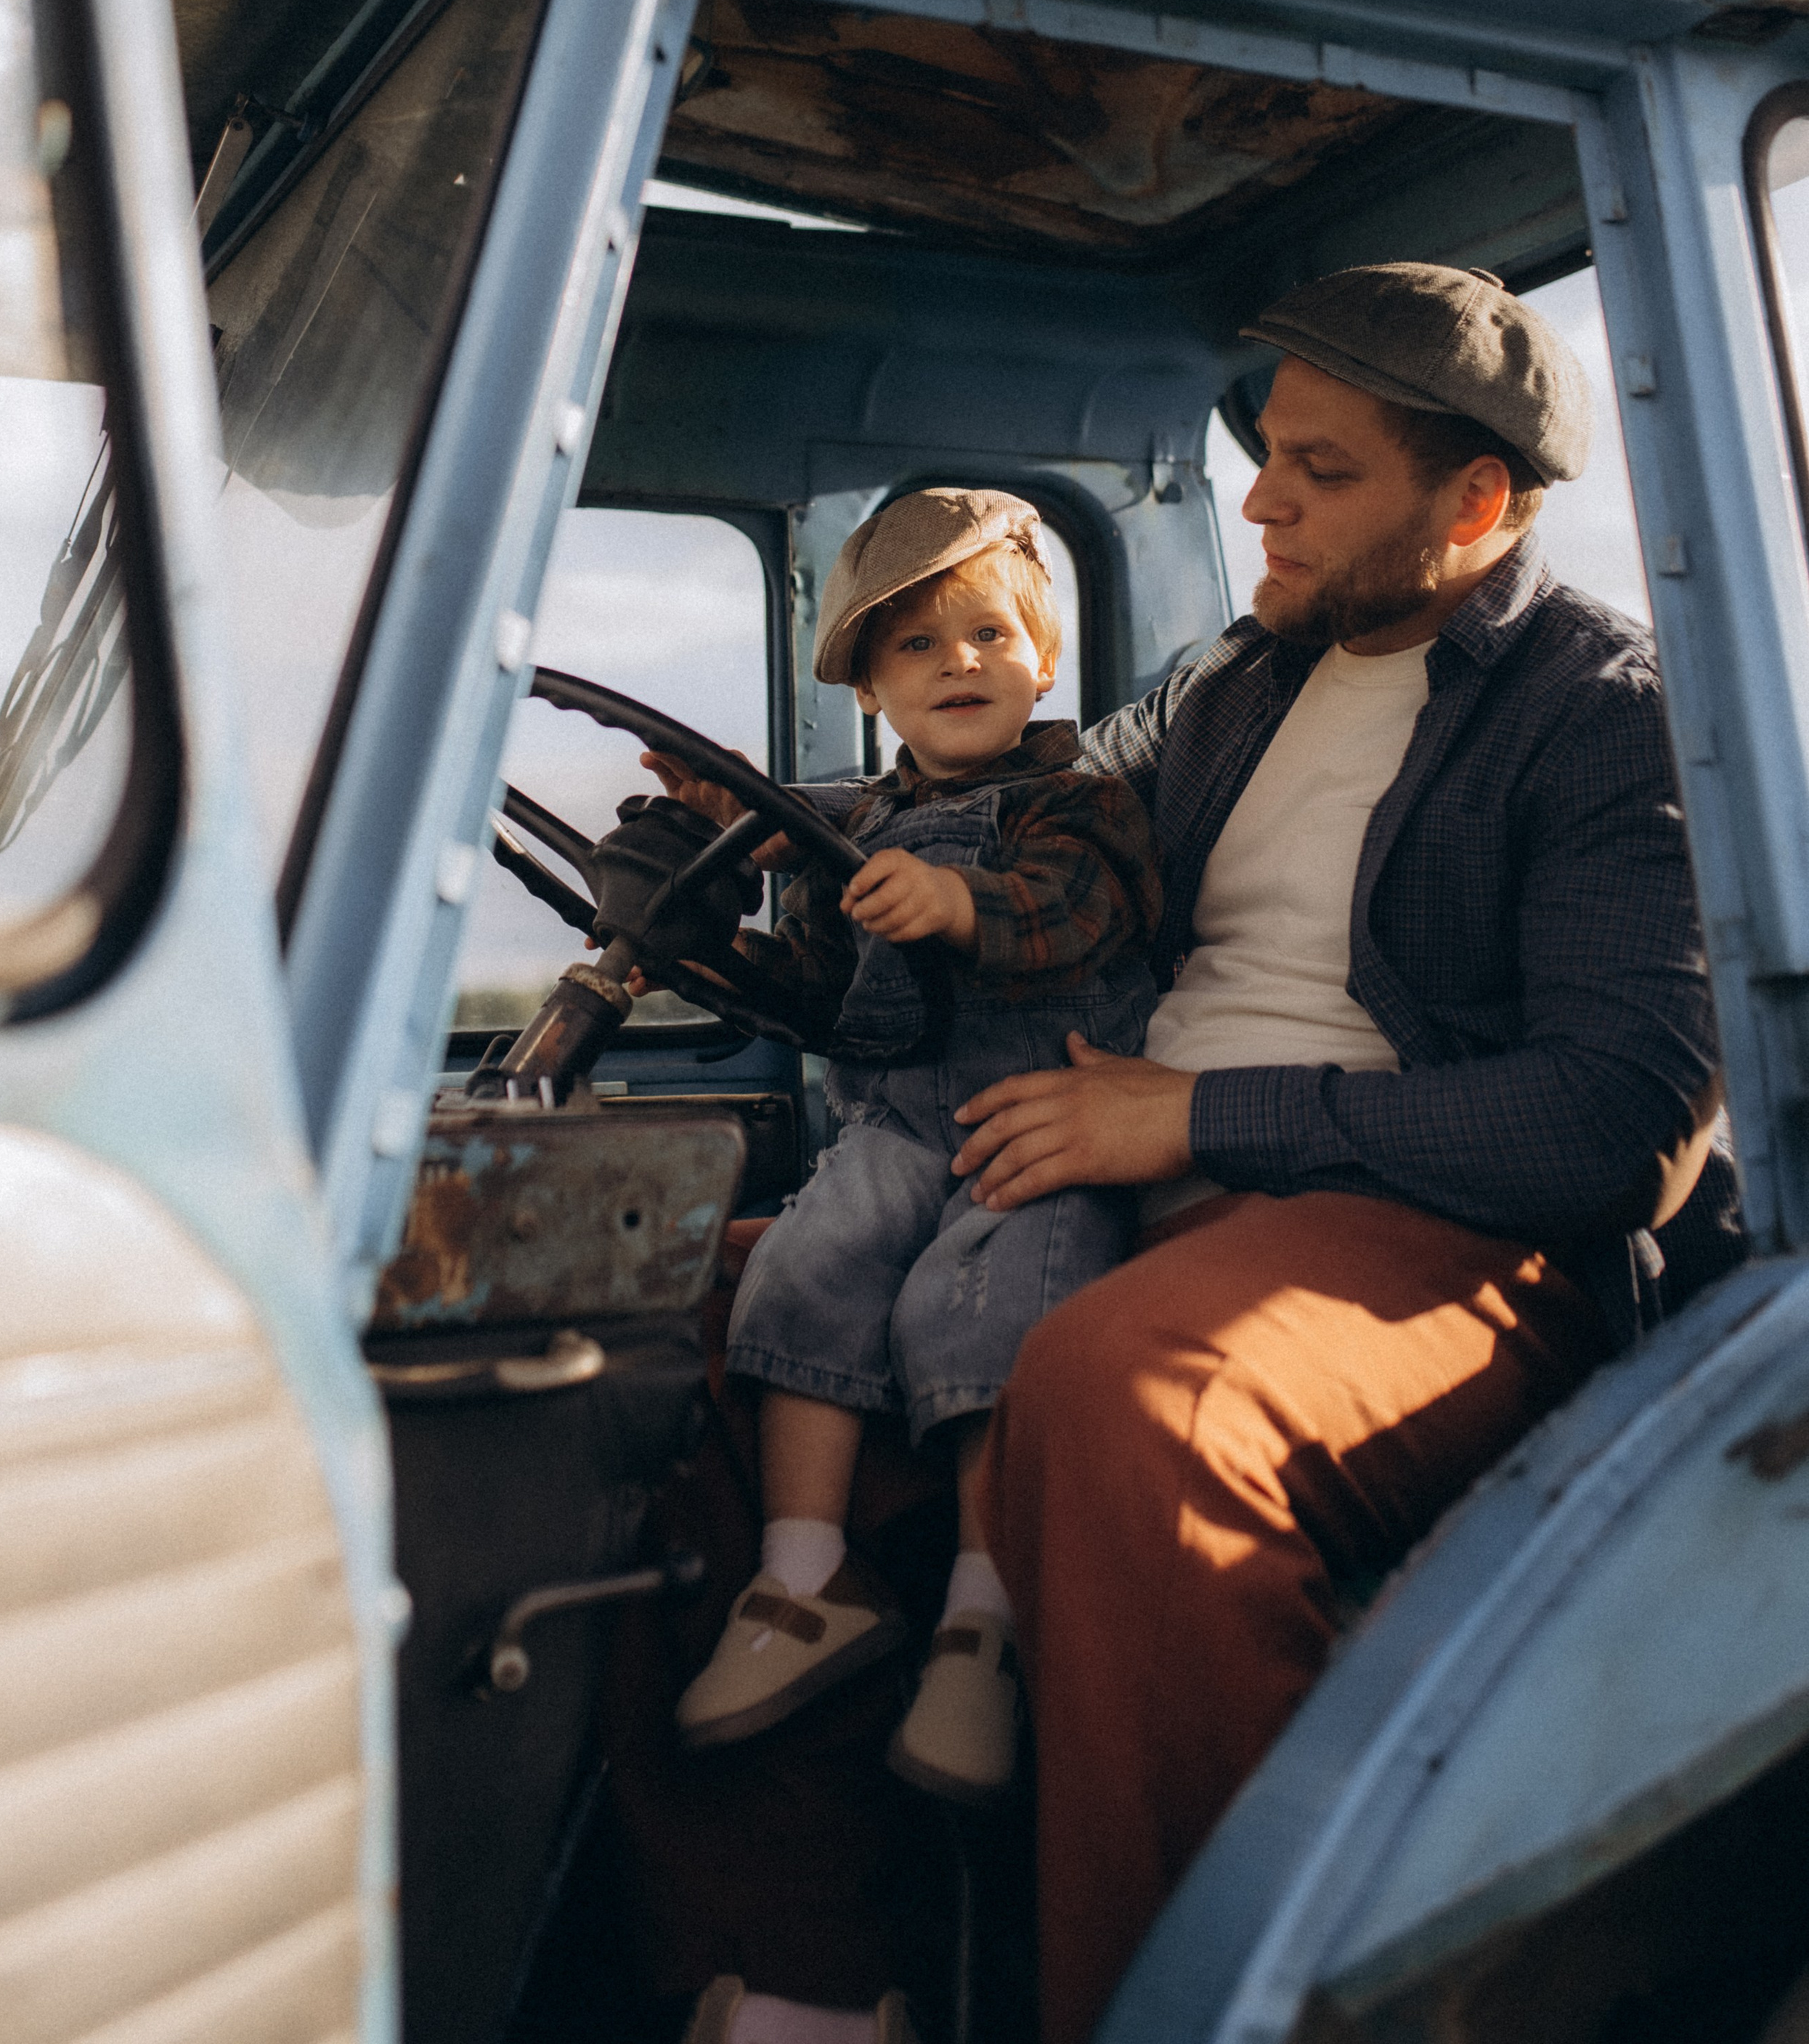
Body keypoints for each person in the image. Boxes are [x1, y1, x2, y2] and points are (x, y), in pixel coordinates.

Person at [944, 263, 1739, 2044]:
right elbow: (1038, 819)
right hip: (1141, 1168)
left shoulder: (1598, 706)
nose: (1260, 504)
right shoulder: (1236, 682)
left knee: (1141, 1399)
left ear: (1473, 502)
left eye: (1319, 470)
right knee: (730, 1329)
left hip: (1432, 1224)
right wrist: (839, 839)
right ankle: (819, 1980)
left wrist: (1192, 1117)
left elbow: (1616, 1121)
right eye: (1265, 458)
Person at [662, 487, 1161, 1805]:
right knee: (803, 1265)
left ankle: (982, 1622)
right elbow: (826, 996)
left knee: (978, 1302)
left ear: (1044, 659)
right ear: (871, 689)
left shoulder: (1080, 804)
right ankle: (803, 1580)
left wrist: (955, 901)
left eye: (991, 634)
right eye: (920, 646)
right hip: (892, 1123)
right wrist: (716, 955)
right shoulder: (855, 832)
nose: (961, 664)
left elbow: (1070, 914)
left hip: (1038, 1122)